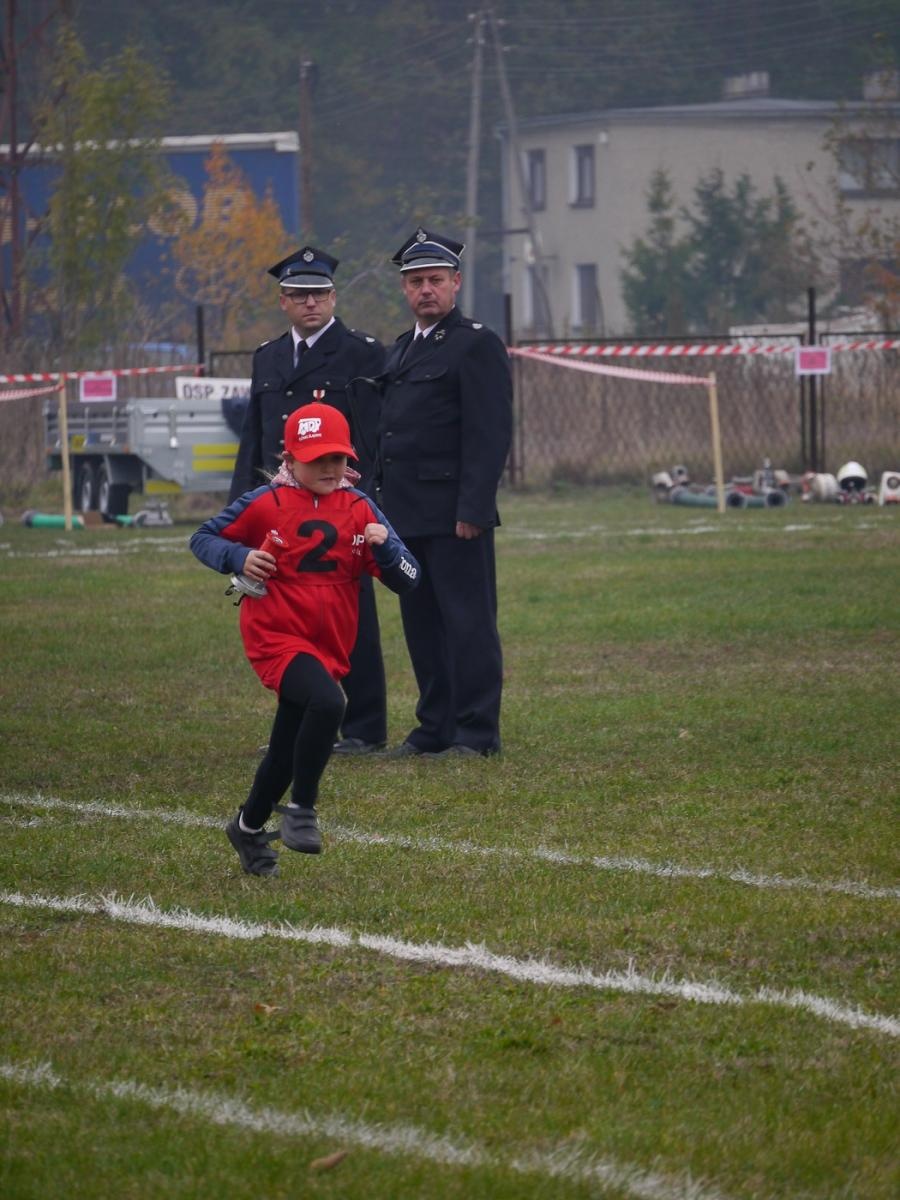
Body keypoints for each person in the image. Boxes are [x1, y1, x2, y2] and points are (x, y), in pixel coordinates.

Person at [191, 402, 420, 877]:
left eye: (336, 459)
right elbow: (203, 537)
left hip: (329, 643)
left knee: (286, 746)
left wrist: (388, 548)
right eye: (316, 459)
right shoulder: (265, 502)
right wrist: (239, 556)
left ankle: (248, 826)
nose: (329, 469)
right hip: (276, 636)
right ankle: (303, 810)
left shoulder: (361, 508)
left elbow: (409, 579)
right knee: (330, 705)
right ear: (289, 459)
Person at [230, 246, 388, 755]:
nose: (310, 304)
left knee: (351, 615)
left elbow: (375, 435)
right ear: (283, 301)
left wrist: (370, 501)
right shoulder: (268, 356)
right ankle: (298, 724)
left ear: (334, 296)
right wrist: (244, 507)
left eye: (319, 294)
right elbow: (255, 437)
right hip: (283, 506)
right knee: (290, 618)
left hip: (340, 502)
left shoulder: (362, 353)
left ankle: (363, 727)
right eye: (299, 295)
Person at [376, 228, 512, 758]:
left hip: (455, 514)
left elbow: (489, 433)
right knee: (423, 627)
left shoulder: (476, 344)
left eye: (434, 280)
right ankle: (434, 727)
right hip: (404, 515)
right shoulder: (401, 349)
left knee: (468, 623)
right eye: (414, 282)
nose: (424, 290)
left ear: (455, 283)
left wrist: (474, 507)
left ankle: (477, 732)